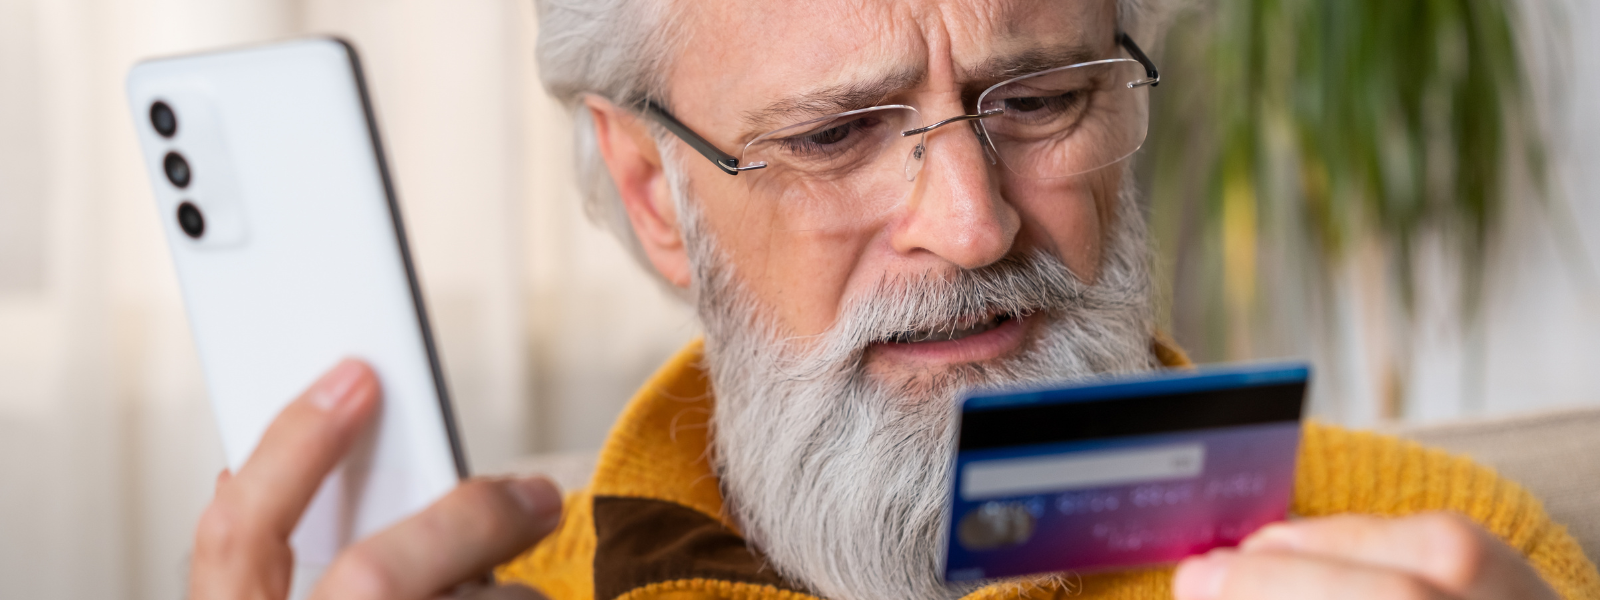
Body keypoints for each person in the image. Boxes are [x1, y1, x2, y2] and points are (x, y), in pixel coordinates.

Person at [185, 0, 1600, 598]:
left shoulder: (1451, 555)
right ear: (647, 189)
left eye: (1041, 97)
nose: (974, 223)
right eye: (834, 135)